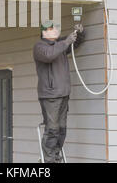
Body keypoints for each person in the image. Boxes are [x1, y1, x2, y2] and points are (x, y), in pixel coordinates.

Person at [33, 20, 85, 163]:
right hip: (50, 95)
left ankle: (55, 155)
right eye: (52, 29)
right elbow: (50, 55)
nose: (56, 31)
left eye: (56, 28)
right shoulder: (39, 47)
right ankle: (48, 159)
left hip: (63, 94)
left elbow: (74, 44)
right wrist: (66, 41)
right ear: (45, 32)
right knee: (52, 129)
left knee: (62, 129)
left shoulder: (60, 45)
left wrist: (79, 33)